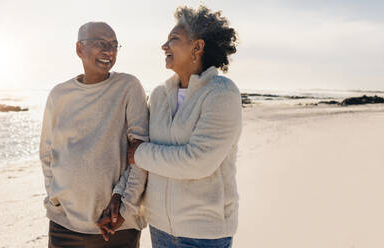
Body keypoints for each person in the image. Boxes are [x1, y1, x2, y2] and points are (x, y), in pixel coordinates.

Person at [127, 5, 242, 248]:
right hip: (159, 228)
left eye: (174, 39)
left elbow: (198, 161)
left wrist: (139, 154)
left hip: (204, 234)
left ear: (197, 47)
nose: (164, 46)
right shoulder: (158, 94)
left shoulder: (221, 93)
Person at [39, 22, 148, 248]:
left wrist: (125, 208)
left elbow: (141, 154)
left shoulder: (129, 86)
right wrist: (55, 196)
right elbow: (47, 152)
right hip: (63, 224)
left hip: (116, 226)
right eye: (101, 44)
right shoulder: (59, 94)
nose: (109, 51)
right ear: (80, 49)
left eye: (114, 45)